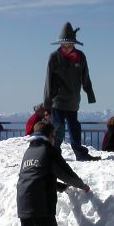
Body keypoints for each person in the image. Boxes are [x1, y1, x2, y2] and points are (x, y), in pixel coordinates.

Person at [17, 120, 90, 226]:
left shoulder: (29, 151)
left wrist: (58, 187)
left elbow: (37, 174)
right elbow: (64, 171)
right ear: (50, 136)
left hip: (23, 201)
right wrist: (80, 185)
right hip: (41, 203)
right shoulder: (48, 151)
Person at [43, 23, 98, 161]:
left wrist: (89, 93)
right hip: (58, 100)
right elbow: (48, 80)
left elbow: (85, 76)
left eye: (69, 45)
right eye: (63, 45)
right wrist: (47, 104)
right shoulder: (54, 57)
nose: (66, 48)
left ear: (74, 44)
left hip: (74, 100)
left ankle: (80, 154)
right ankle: (54, 153)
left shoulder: (80, 56)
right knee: (58, 127)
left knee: (74, 127)